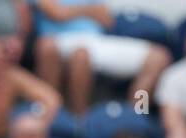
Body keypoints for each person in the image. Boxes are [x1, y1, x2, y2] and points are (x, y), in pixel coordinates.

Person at [33, 0, 170, 115]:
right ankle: (79, 120)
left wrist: (74, 11)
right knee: (81, 55)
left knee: (158, 58)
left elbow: (107, 19)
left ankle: (137, 114)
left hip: (98, 40)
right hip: (61, 41)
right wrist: (90, 11)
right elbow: (57, 13)